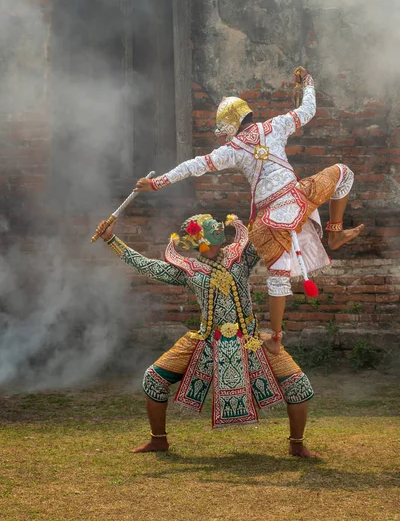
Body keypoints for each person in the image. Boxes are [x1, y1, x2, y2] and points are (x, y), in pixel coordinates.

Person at [135, 67, 364, 355]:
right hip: (297, 196)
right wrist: (308, 82)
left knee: (279, 275)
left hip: (271, 216)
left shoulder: (232, 149)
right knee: (344, 173)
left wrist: (157, 182)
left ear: (230, 125)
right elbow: (308, 109)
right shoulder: (275, 125)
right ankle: (335, 231)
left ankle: (277, 340)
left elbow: (194, 166)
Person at [96, 214, 317, 457]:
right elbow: (145, 265)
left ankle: (296, 444)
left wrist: (287, 208)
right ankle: (158, 440)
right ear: (199, 237)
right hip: (206, 340)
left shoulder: (240, 256)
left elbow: (267, 232)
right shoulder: (189, 270)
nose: (219, 225)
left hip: (252, 339)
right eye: (210, 224)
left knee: (299, 387)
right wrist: (111, 239)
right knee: (153, 380)